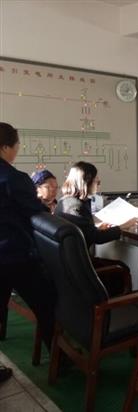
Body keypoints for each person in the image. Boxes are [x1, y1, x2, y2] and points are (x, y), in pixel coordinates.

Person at [0, 122, 56, 352]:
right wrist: (45, 208)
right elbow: (35, 212)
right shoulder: (14, 178)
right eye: (16, 146)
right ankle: (60, 359)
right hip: (14, 255)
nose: (17, 150)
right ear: (5, 148)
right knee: (46, 303)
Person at [55, 161, 136, 296]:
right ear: (86, 182)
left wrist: (95, 228)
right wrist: (122, 227)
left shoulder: (64, 201)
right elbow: (96, 238)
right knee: (122, 268)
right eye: (96, 181)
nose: (98, 183)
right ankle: (115, 303)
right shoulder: (76, 207)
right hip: (79, 268)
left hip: (68, 264)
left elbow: (85, 232)